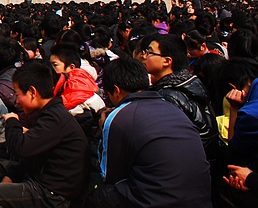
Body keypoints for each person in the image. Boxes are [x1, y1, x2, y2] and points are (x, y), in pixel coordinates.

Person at [88, 57, 211, 208]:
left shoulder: (118, 116)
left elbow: (109, 175)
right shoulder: (170, 106)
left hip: (157, 201)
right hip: (201, 197)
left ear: (116, 90)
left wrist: (103, 130)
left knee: (97, 192)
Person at [0, 60, 88, 208]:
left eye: (18, 94)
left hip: (53, 193)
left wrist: (12, 122)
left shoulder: (54, 118)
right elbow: (32, 156)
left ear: (32, 92)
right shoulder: (49, 112)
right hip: (39, 174)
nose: (17, 101)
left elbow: (21, 148)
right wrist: (11, 176)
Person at [140, 34, 219, 159]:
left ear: (167, 61)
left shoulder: (168, 97)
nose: (144, 56)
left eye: (150, 52)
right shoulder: (188, 81)